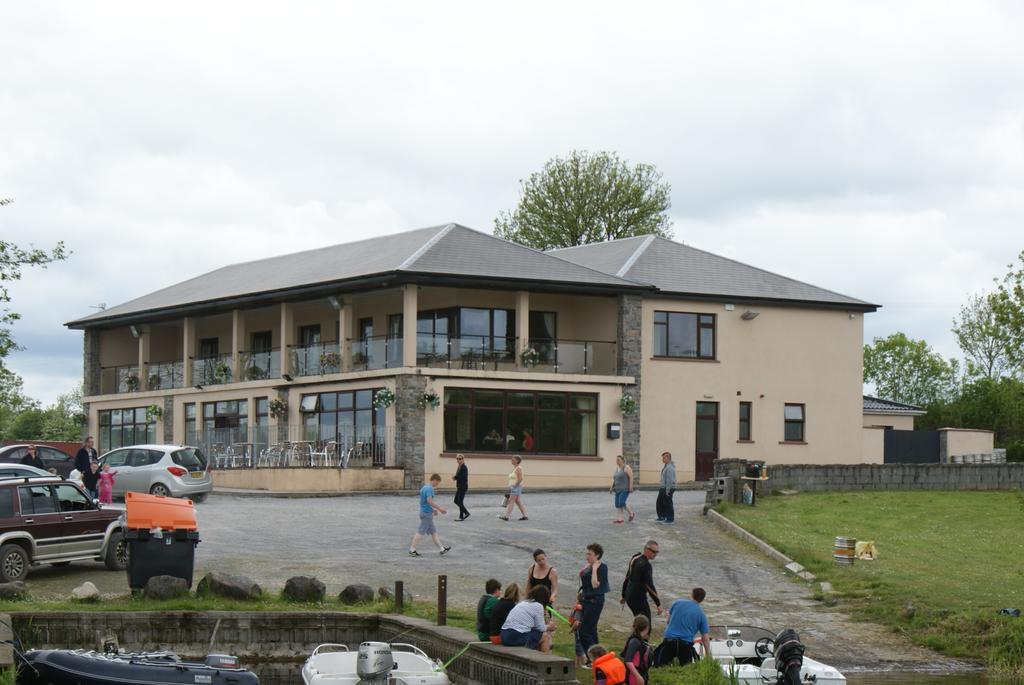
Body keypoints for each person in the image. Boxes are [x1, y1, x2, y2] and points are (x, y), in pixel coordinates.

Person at [655, 588, 712, 667]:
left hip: (669, 642)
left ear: (692, 595)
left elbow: (668, 621)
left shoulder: (677, 603)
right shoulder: (701, 614)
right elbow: (705, 638)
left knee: (661, 667)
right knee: (686, 671)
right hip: (685, 645)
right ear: (702, 599)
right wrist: (708, 656)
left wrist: (668, 615)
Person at [575, 542, 610, 668]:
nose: (587, 556)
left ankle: (593, 658)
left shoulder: (602, 567)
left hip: (595, 601)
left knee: (584, 631)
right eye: (587, 553)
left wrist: (594, 568)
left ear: (597, 555)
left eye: (590, 554)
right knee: (592, 630)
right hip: (586, 599)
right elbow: (582, 576)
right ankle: (600, 658)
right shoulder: (589, 565)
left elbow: (595, 584)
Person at [500, 585, 556, 651]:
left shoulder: (523, 603)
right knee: (544, 636)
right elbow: (541, 628)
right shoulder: (538, 605)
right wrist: (550, 627)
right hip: (516, 636)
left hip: (505, 635)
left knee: (536, 636)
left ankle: (536, 658)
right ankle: (545, 659)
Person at [409, 474, 452, 556]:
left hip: (425, 512)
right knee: (420, 532)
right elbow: (429, 501)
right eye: (437, 483)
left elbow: (425, 502)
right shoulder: (429, 489)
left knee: (433, 532)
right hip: (426, 514)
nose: (437, 485)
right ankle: (412, 549)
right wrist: (440, 509)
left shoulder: (424, 487)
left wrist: (433, 510)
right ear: (435, 480)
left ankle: (442, 549)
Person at [620, 540, 663, 621]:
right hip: (638, 599)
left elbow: (627, 577)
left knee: (640, 622)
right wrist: (658, 604)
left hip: (629, 596)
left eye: (657, 552)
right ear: (646, 549)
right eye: (654, 551)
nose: (656, 554)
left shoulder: (635, 557)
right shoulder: (646, 565)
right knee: (646, 625)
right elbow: (649, 586)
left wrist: (623, 595)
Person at [622, 615, 652, 685]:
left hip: (640, 672)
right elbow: (628, 661)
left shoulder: (640, 640)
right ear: (647, 628)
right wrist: (638, 676)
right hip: (633, 675)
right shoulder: (634, 641)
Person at [498, 455, 527, 521]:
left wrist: (514, 486)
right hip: (514, 487)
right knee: (518, 501)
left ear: (517, 461)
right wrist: (510, 486)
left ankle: (506, 516)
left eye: (513, 459)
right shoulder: (515, 468)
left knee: (511, 501)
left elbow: (520, 479)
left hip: (516, 487)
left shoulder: (518, 468)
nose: (511, 460)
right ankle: (525, 516)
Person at [610, 455, 635, 523]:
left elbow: (631, 477)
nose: (617, 461)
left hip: (624, 489)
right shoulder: (617, 468)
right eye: (616, 460)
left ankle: (631, 513)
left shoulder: (626, 467)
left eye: (618, 460)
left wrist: (630, 487)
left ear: (623, 460)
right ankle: (620, 519)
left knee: (621, 503)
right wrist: (611, 487)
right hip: (617, 489)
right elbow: (614, 479)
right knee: (618, 504)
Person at [656, 452, 676, 524]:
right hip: (663, 487)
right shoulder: (666, 466)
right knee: (660, 502)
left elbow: (670, 480)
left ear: (667, 458)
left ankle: (670, 519)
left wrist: (668, 490)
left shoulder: (670, 467)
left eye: (664, 458)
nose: (662, 459)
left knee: (668, 503)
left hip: (668, 488)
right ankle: (662, 516)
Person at [453, 454, 470, 521]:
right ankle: (466, 513)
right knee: (456, 501)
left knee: (459, 502)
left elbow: (464, 477)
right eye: (457, 459)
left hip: (463, 487)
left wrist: (456, 477)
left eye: (460, 458)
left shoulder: (464, 467)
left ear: (463, 459)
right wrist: (456, 477)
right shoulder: (459, 467)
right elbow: (459, 476)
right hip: (459, 486)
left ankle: (461, 516)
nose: (458, 460)